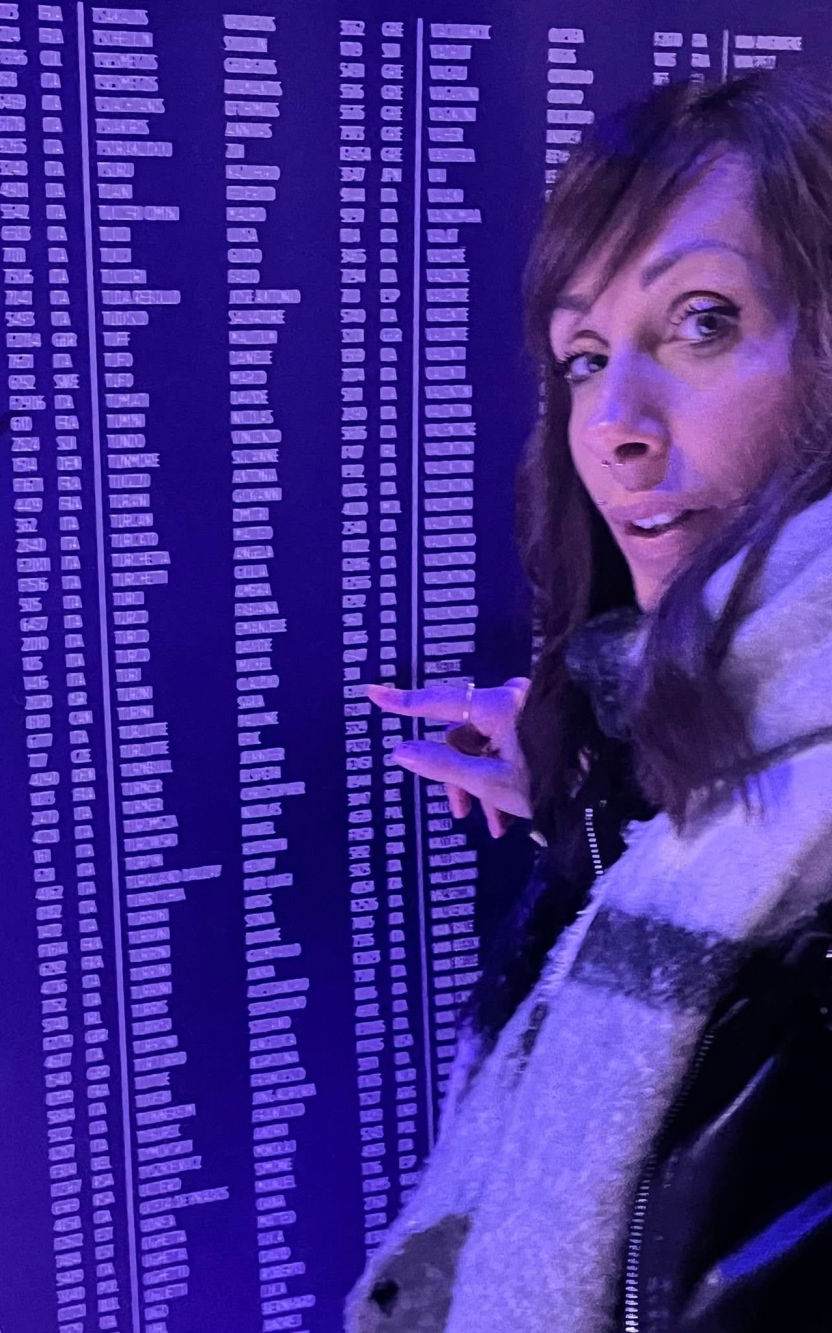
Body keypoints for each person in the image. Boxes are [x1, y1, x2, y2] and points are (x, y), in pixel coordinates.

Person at [345, 68, 832, 1333]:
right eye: (583, 355)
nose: (614, 423)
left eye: (703, 322)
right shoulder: (693, 787)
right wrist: (613, 784)